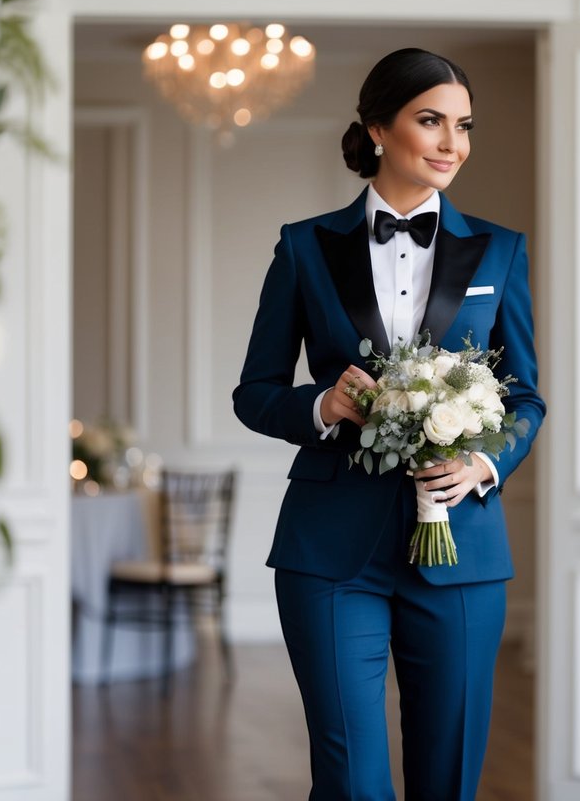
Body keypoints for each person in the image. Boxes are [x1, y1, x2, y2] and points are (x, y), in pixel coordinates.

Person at [233, 47, 545, 801]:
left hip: (461, 552)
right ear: (377, 129)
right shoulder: (305, 247)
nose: (451, 144)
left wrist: (483, 464)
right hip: (330, 551)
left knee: (448, 780)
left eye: (463, 126)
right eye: (429, 121)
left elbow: (526, 398)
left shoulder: (499, 250)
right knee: (350, 782)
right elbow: (255, 392)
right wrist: (322, 405)